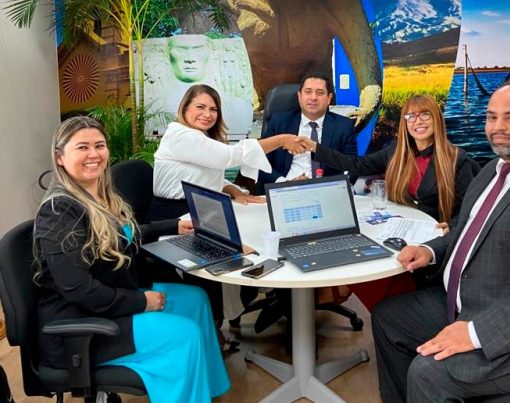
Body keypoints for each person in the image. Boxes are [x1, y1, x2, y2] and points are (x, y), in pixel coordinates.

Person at [371, 81, 510, 402]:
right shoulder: (494, 170)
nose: (498, 127)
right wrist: (429, 251)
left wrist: (475, 332)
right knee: (388, 319)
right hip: (468, 301)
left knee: (428, 374)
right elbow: (465, 230)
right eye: (492, 117)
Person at [34, 116, 230, 402]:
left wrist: (173, 226)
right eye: (82, 147)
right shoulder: (59, 211)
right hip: (80, 324)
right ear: (60, 157)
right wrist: (141, 302)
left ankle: (204, 392)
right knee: (183, 334)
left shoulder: (99, 196)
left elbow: (124, 234)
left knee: (196, 300)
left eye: (99, 145)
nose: (94, 154)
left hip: (110, 298)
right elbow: (79, 290)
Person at [297, 94, 480, 310]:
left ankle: (392, 313)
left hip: (432, 243)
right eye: (411, 116)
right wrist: (315, 148)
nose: (418, 121)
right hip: (401, 230)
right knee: (358, 254)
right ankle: (382, 312)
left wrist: (453, 224)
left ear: (436, 119)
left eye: (425, 115)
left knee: (374, 270)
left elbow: (471, 207)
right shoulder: (396, 152)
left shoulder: (457, 159)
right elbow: (356, 164)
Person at [150, 84, 304, 221]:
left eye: (213, 109)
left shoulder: (200, 137)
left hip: (200, 210)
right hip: (173, 216)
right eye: (200, 107)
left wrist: (236, 192)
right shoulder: (180, 135)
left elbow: (206, 179)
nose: (207, 114)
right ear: (185, 108)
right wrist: (281, 140)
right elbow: (229, 156)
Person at [257, 72, 357, 192]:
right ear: (299, 96)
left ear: (329, 98)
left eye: (320, 93)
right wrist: (284, 183)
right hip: (284, 190)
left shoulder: (343, 126)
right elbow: (259, 161)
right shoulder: (279, 122)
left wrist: (326, 187)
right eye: (308, 92)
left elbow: (352, 167)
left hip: (325, 192)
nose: (313, 97)